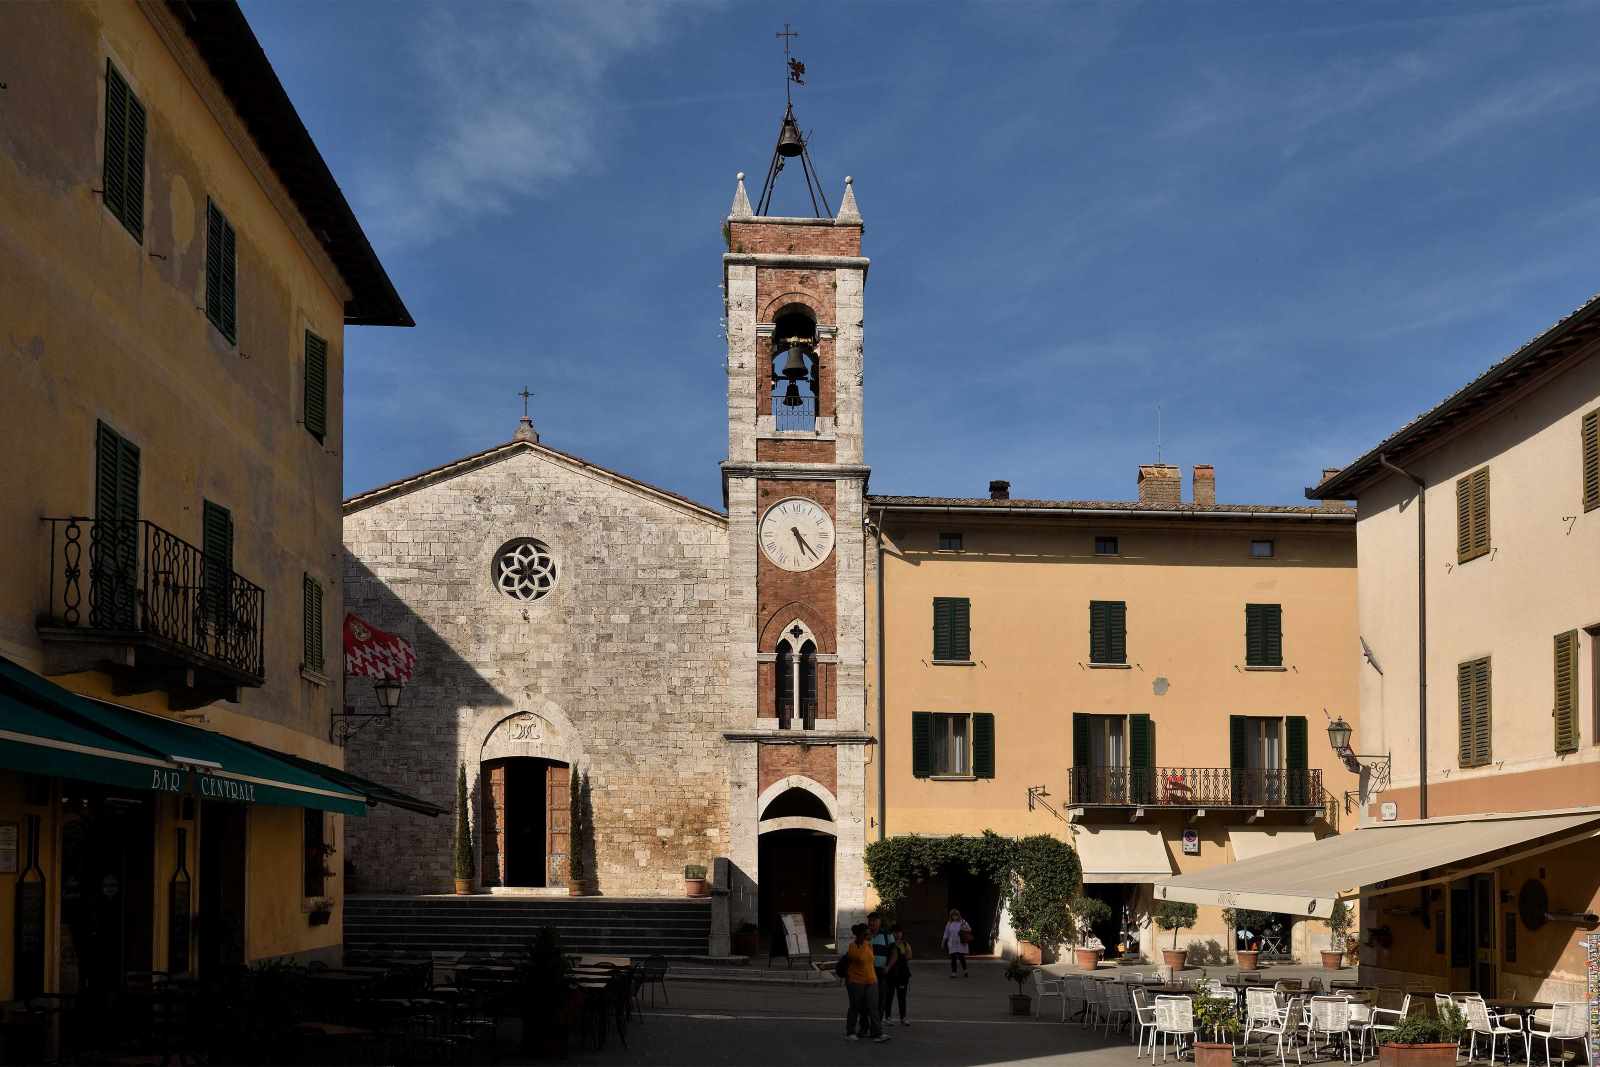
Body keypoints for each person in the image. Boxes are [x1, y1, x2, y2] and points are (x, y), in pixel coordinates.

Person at [843, 923, 889, 1042]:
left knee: (873, 1007)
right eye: (867, 933)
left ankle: (877, 1033)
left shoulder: (869, 945)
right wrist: (863, 942)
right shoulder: (852, 947)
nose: (870, 935)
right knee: (855, 1007)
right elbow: (859, 957)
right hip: (856, 981)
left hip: (871, 980)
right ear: (861, 935)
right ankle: (850, 1032)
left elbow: (870, 960)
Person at [884, 924, 913, 1025]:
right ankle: (887, 1017)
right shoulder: (889, 944)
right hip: (890, 975)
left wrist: (902, 955)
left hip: (902, 975)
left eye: (899, 932)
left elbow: (909, 956)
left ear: (902, 933)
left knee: (902, 997)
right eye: (895, 932)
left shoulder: (905, 944)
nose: (897, 934)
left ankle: (903, 1017)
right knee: (889, 996)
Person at [868, 912, 894, 1018]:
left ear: (880, 922)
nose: (872, 922)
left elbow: (894, 953)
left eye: (874, 920)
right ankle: (868, 1022)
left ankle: (877, 1021)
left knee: (880, 997)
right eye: (870, 920)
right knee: (867, 998)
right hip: (867, 971)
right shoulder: (865, 935)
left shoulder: (887, 935)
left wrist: (888, 967)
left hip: (881, 971)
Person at [942, 908, 972, 977]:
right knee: (953, 958)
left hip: (960, 943)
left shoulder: (962, 922)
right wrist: (943, 942)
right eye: (953, 916)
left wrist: (963, 928)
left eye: (956, 915)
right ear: (951, 916)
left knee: (961, 957)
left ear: (958, 915)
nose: (954, 917)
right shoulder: (949, 923)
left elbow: (969, 929)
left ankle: (965, 971)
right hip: (952, 943)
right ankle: (954, 973)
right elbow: (946, 933)